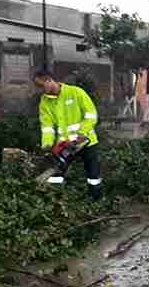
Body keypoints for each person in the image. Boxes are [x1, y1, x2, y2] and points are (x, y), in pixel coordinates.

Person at [33, 70, 101, 200]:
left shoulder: (76, 92)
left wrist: (82, 133)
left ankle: (95, 200)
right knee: (56, 174)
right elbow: (47, 127)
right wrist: (47, 145)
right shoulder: (44, 102)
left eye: (42, 85)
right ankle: (55, 200)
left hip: (87, 141)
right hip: (65, 146)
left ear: (49, 80)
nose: (41, 89)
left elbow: (91, 115)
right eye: (39, 87)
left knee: (93, 174)